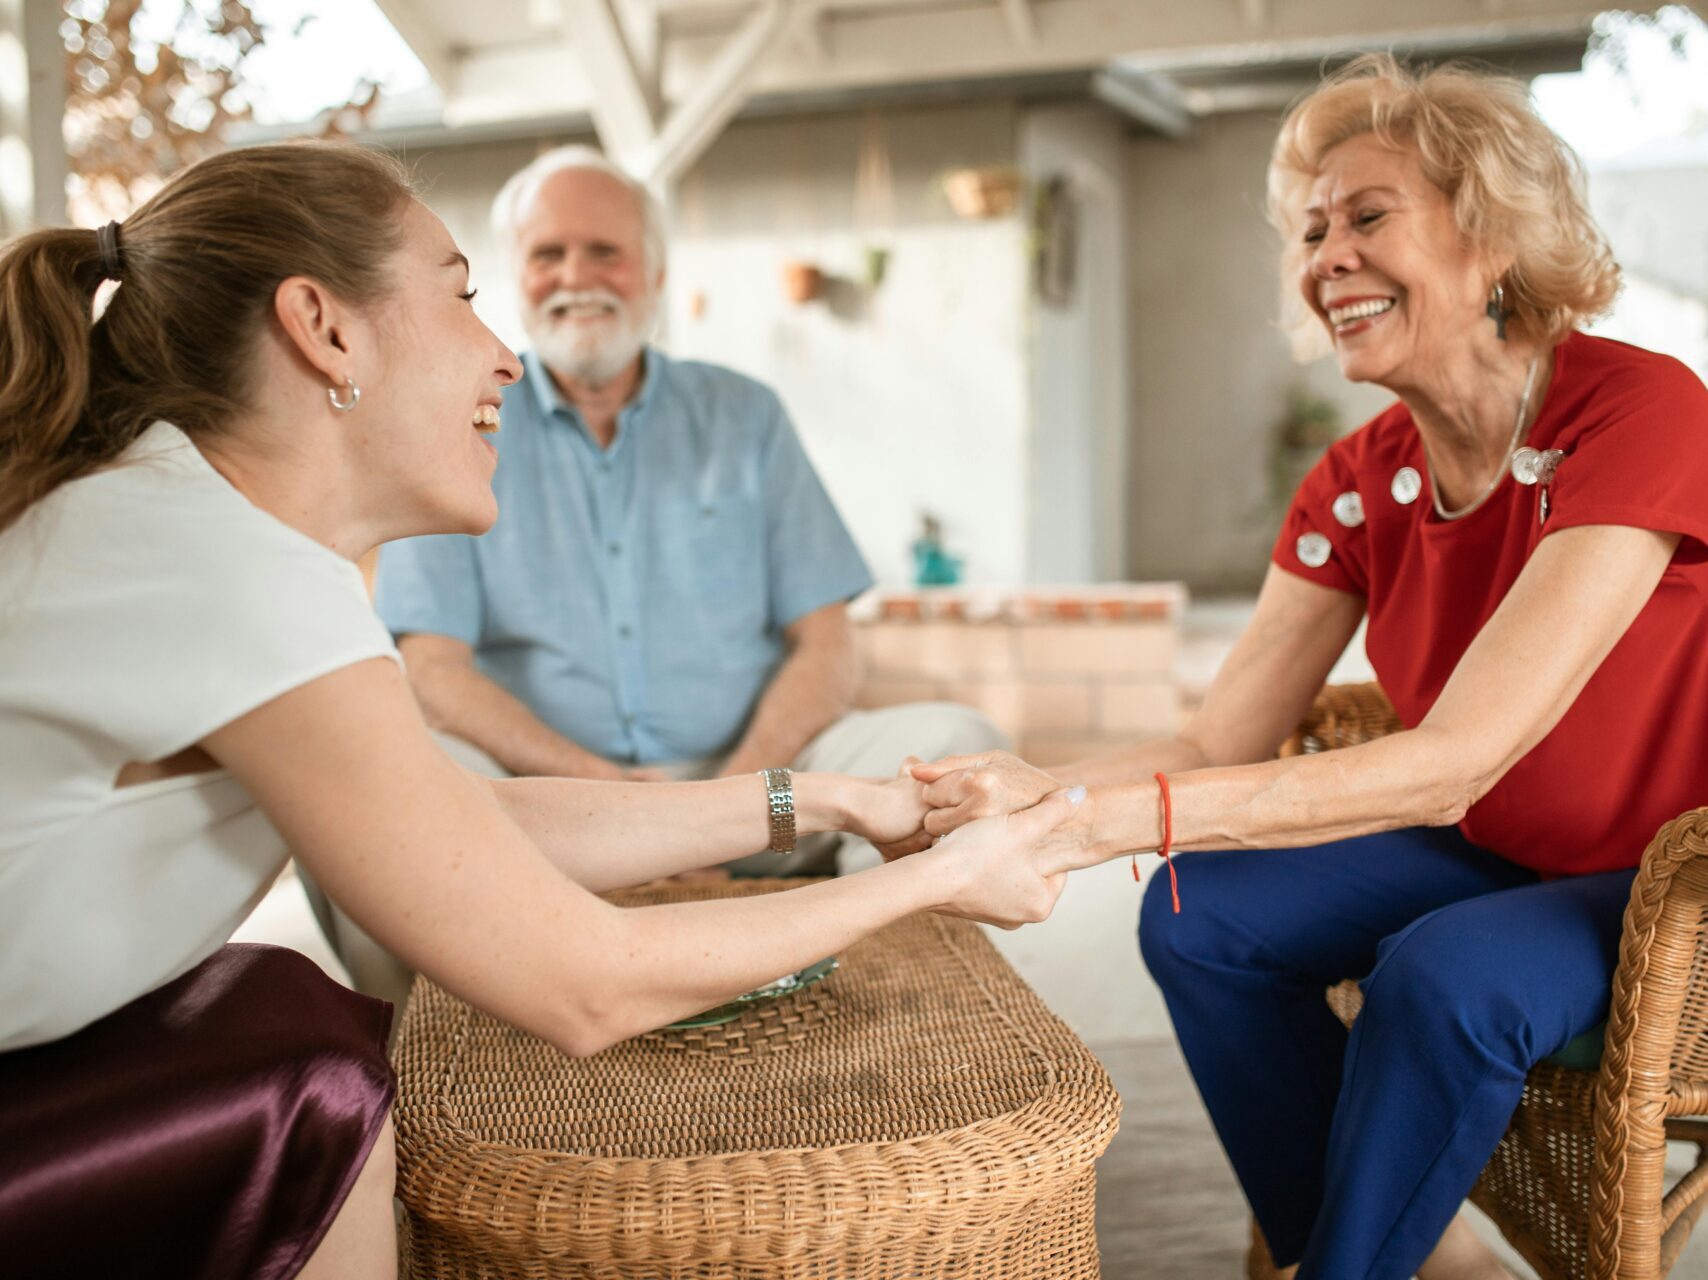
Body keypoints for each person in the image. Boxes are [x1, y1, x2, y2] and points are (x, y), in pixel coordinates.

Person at [0, 140, 1081, 1280]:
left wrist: (828, 797)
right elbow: (587, 979)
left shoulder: (183, 520)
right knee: (315, 1068)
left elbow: (464, 821)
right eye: (464, 294)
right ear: (324, 329)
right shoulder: (225, 567)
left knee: (295, 1019)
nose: (504, 354)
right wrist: (938, 876)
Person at [906, 55, 1708, 1280]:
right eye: (1311, 228)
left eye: (1368, 216)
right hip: (1498, 844)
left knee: (1441, 977)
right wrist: (1037, 789)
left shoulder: (1639, 411)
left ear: (1491, 238)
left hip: (1664, 878)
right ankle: (1402, 1254)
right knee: (1196, 914)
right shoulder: (1359, 477)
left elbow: (1454, 760)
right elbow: (1215, 739)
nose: (1323, 255)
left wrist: (1095, 824)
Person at [371, 145, 1005, 876]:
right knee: (382, 786)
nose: (575, 277)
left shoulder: (745, 416)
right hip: (553, 805)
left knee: (957, 745)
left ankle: (878, 978)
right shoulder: (458, 424)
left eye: (604, 251)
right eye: (549, 254)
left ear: (657, 274)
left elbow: (828, 643)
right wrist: (606, 789)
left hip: (765, 794)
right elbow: (432, 667)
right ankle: (441, 997)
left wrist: (733, 798)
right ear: (517, 275)